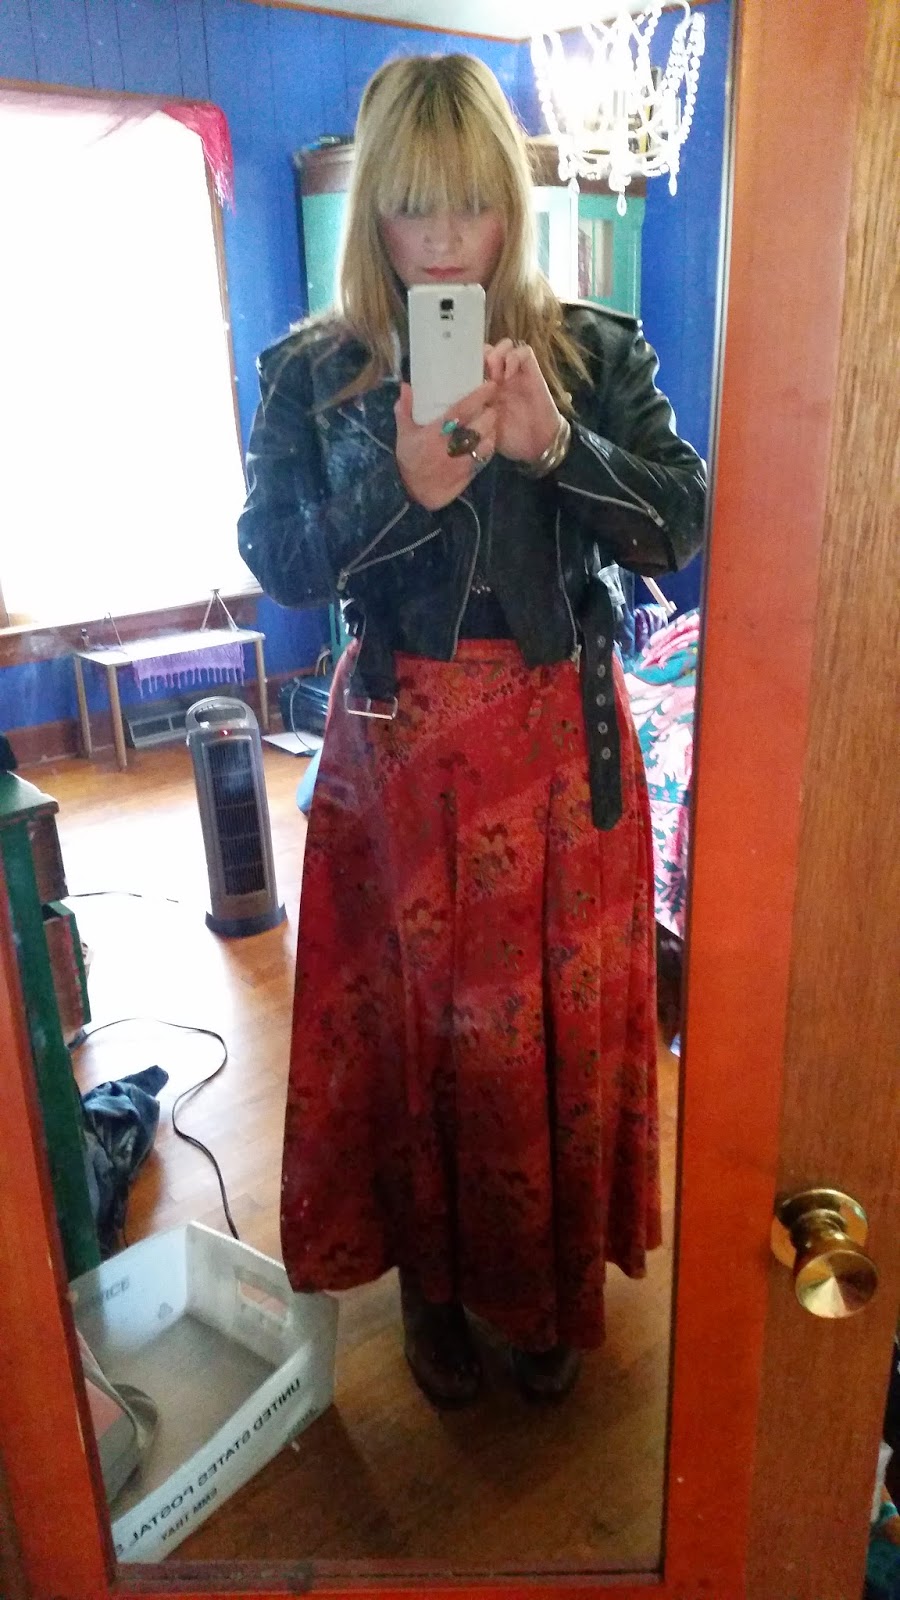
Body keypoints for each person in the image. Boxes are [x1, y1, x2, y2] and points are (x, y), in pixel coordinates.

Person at [238, 53, 706, 1408]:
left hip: (563, 751)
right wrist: (403, 484)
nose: (444, 240)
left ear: (510, 202)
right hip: (396, 755)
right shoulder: (311, 372)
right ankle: (434, 1290)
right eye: (411, 206)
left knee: (547, 1035)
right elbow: (280, 562)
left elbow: (677, 525)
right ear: (372, 214)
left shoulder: (595, 352)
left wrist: (555, 446)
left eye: (471, 204)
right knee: (415, 1037)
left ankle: (542, 1286)